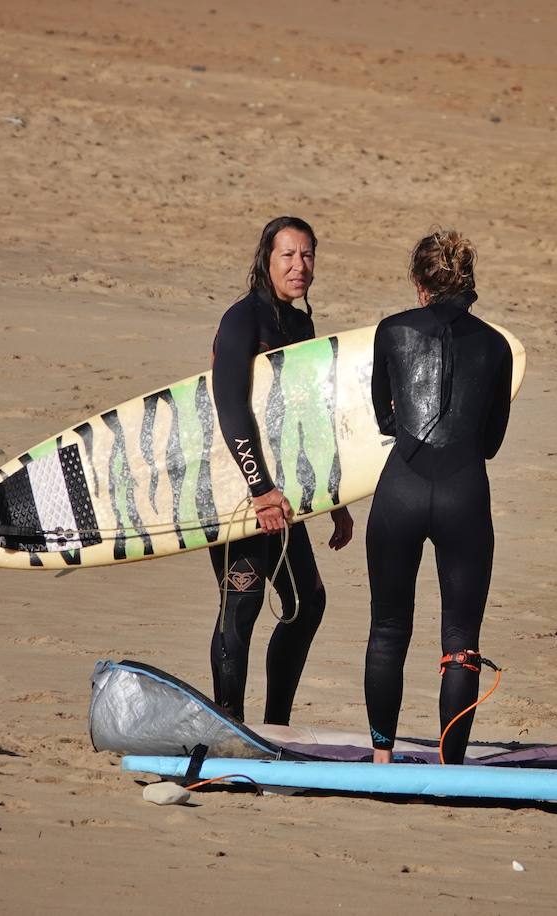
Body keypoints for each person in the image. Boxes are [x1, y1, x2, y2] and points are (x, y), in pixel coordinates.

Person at [363, 229, 513, 764]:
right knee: (460, 642)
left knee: (387, 627)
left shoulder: (391, 331)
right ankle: (452, 767)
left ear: (418, 282)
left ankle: (382, 758)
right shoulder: (496, 346)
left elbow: (384, 416)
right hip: (463, 493)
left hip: (400, 488)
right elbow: (491, 442)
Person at [208, 215, 353, 724]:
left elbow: (306, 418)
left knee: (305, 603)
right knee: (241, 607)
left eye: (308, 254)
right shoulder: (241, 320)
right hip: (235, 488)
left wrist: (334, 496)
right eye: (288, 255)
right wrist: (260, 490)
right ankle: (230, 726)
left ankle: (275, 728)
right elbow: (231, 406)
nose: (300, 265)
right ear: (266, 260)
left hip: (281, 495)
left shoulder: (301, 325)